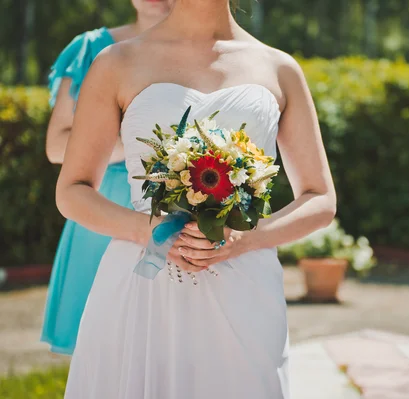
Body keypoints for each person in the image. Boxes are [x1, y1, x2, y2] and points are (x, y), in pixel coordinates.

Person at [56, 0, 337, 397]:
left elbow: (321, 198)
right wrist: (149, 230)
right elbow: (72, 190)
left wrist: (246, 238)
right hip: (143, 280)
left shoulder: (280, 68)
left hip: (246, 287)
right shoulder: (116, 62)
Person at [41, 0, 174, 355]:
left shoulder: (202, 52)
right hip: (100, 206)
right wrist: (136, 143)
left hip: (176, 209)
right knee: (100, 351)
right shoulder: (91, 48)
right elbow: (56, 145)